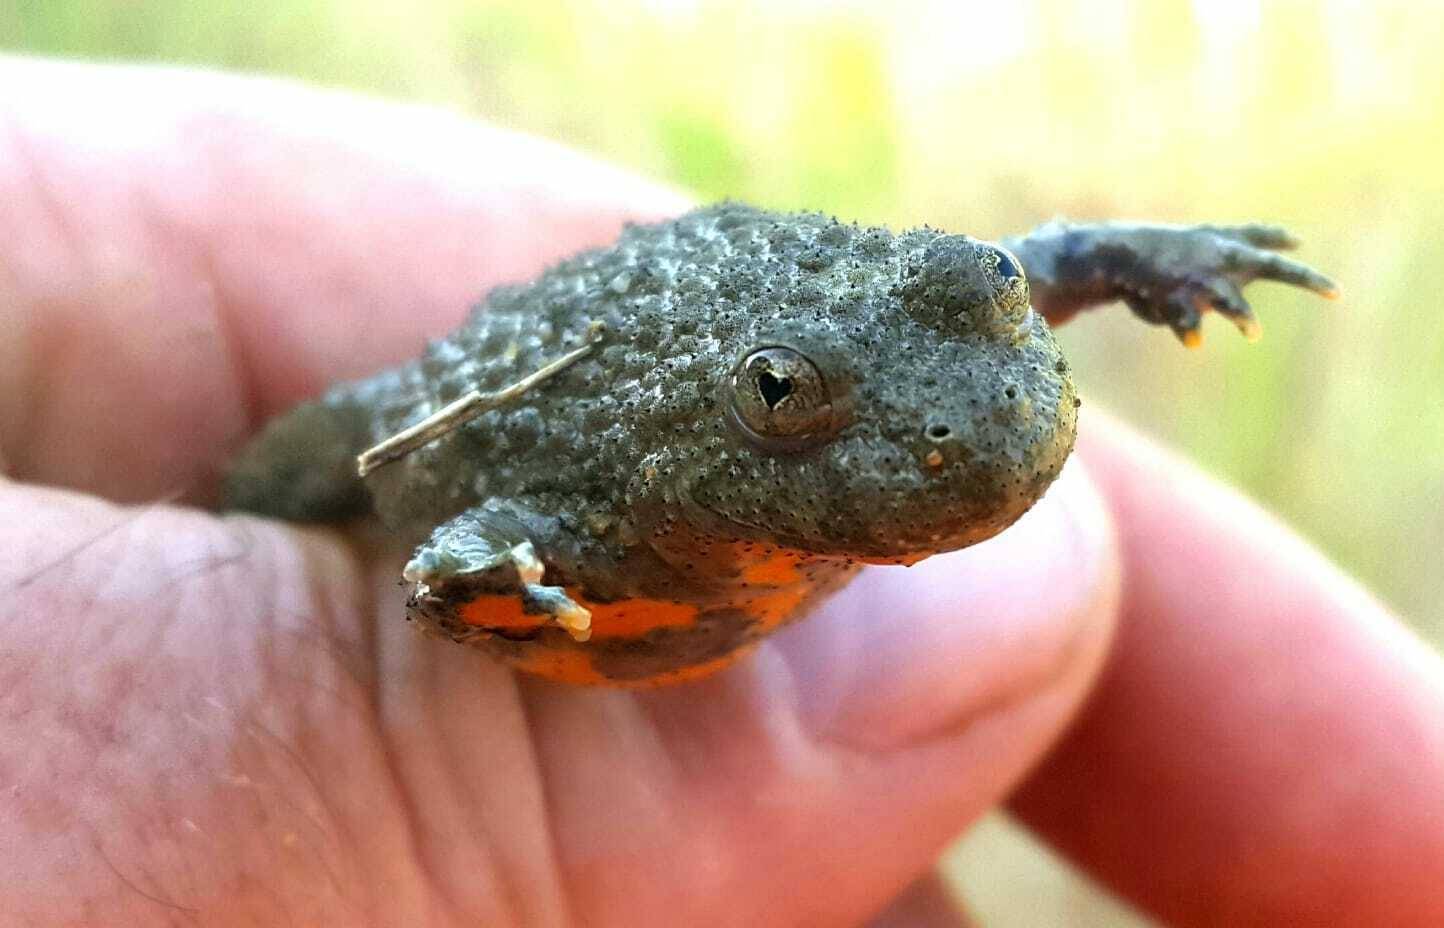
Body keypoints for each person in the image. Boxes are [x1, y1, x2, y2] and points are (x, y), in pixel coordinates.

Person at [2, 57, 1441, 927]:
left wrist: (1139, 260)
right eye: (788, 408)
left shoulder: (914, 318)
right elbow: (453, 547)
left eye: (999, 301)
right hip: (521, 407)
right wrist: (486, 594)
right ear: (732, 417)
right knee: (310, 463)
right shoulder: (610, 478)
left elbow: (1020, 263)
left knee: (899, 327)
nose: (972, 440)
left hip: (746, 348)